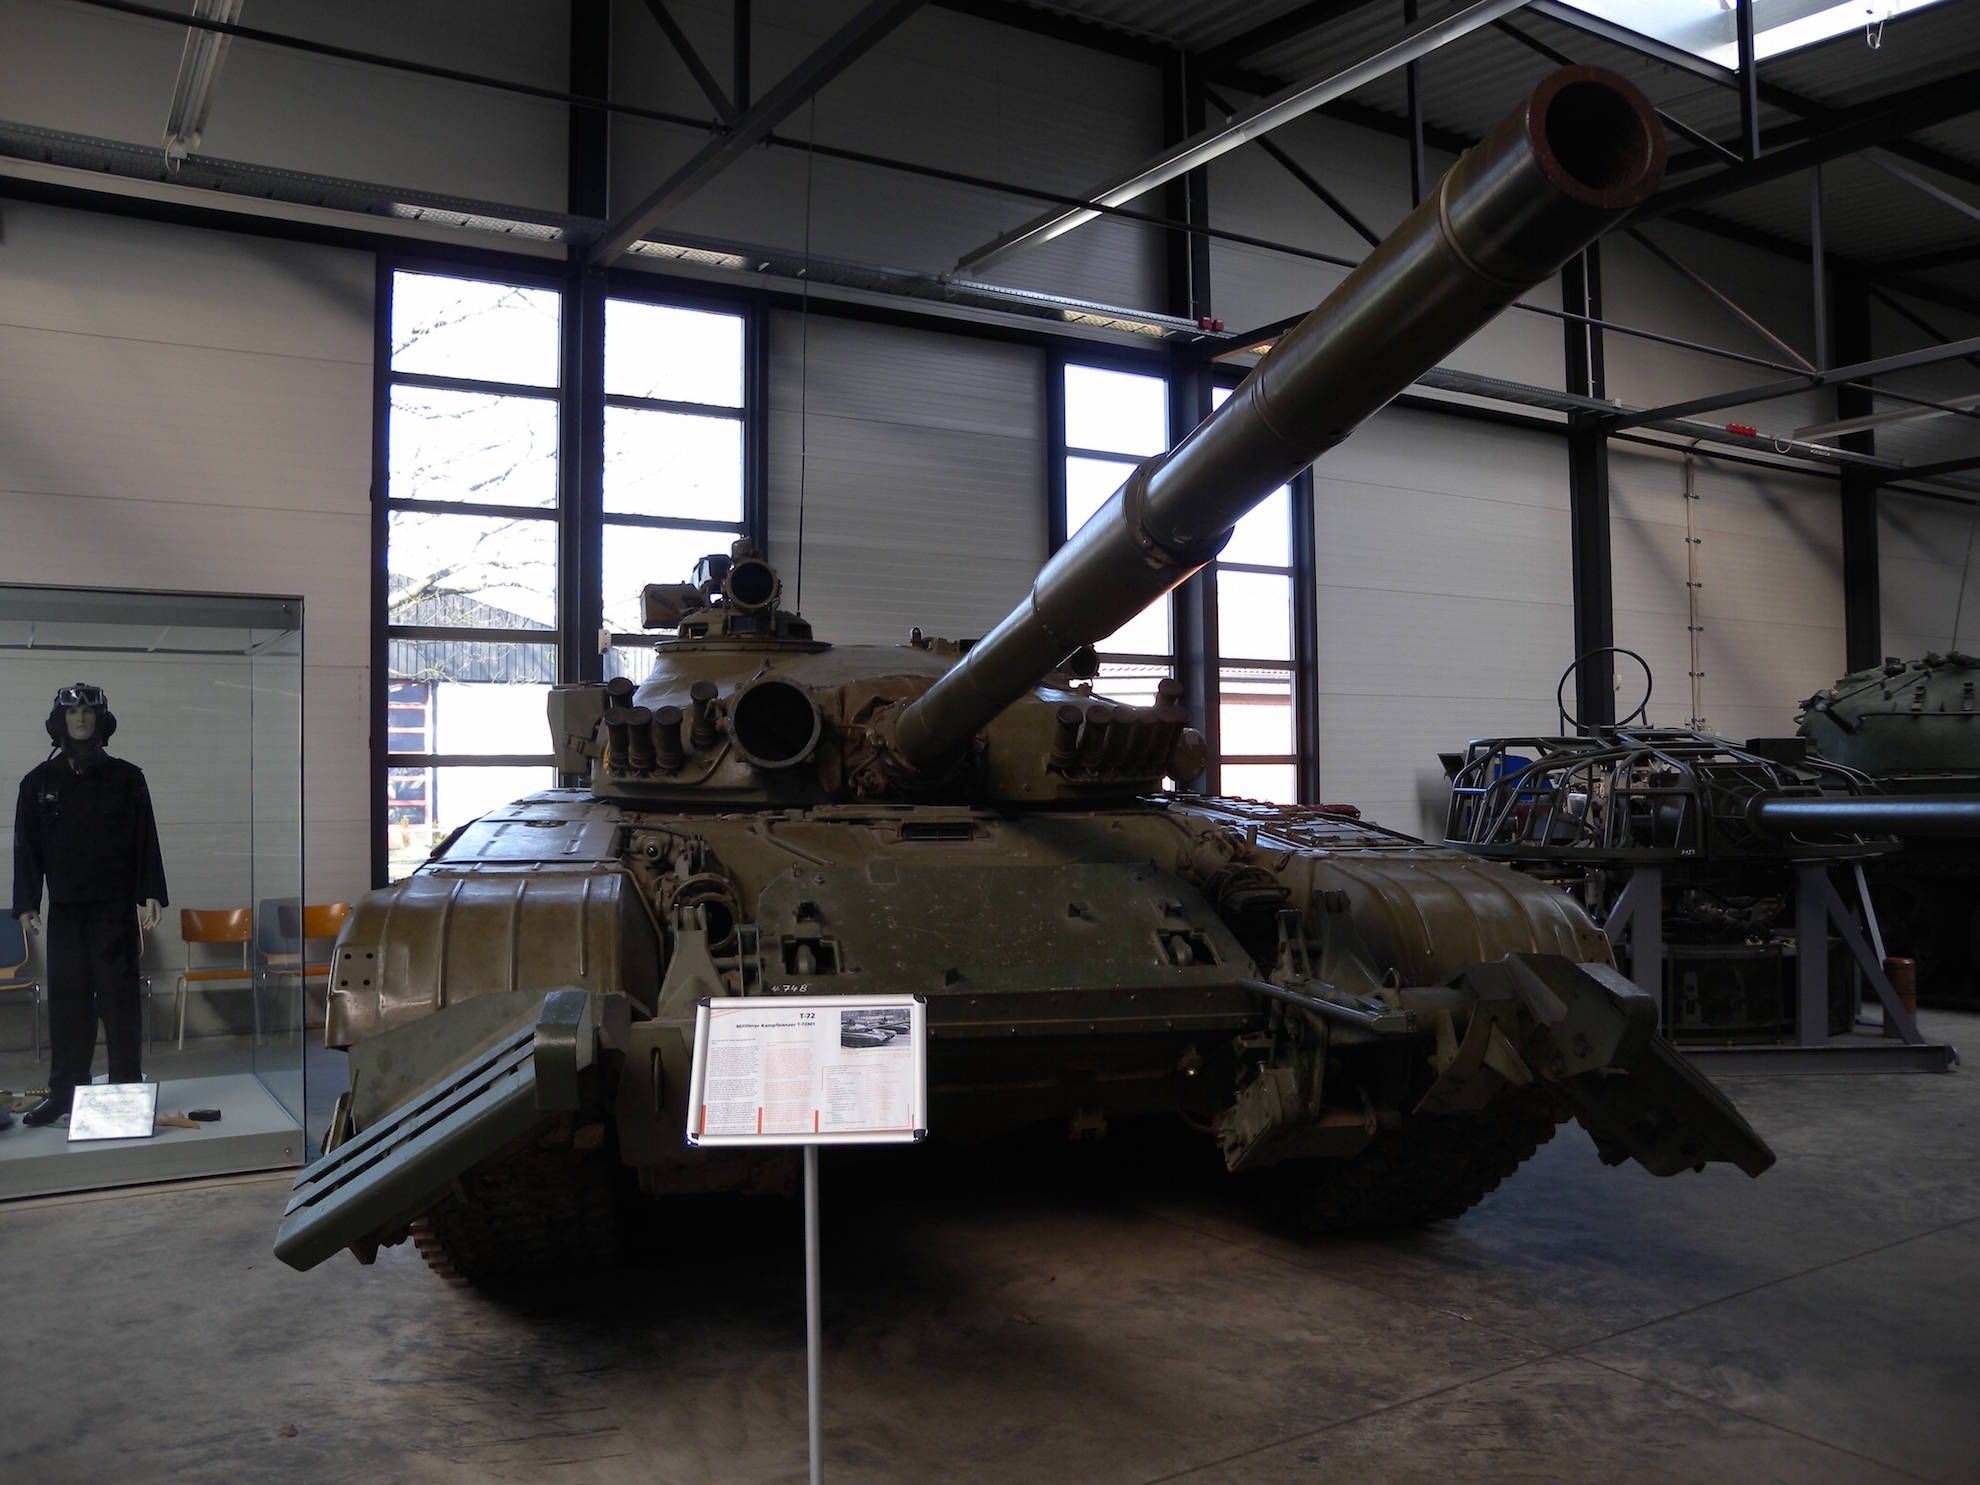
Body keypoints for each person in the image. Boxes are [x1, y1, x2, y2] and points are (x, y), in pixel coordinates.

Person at [11, 683, 167, 1127]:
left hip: (114, 911)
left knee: (120, 1003)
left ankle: (126, 1090)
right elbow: (26, 848)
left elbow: (145, 837)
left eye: (88, 711)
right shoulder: (37, 783)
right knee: (67, 1004)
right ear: (59, 721)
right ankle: (64, 1094)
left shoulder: (127, 779)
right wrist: (26, 902)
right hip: (66, 912)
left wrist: (151, 890)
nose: (80, 718)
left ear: (101, 720)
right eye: (72, 712)